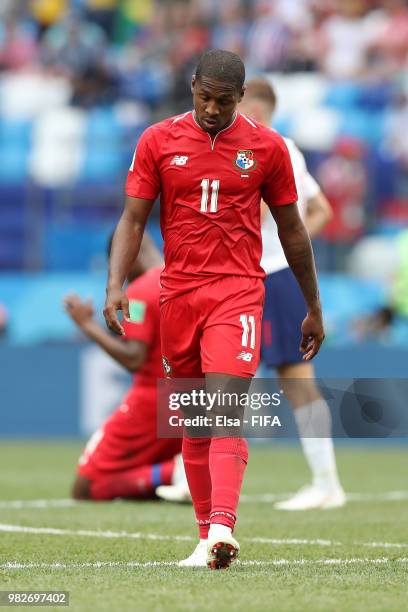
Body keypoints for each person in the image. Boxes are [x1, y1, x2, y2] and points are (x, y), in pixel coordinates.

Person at [104, 49, 324, 569]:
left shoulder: (266, 148)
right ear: (193, 87)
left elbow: (293, 231)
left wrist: (313, 305)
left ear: (241, 98)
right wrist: (115, 283)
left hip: (237, 290)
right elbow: (133, 219)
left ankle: (224, 524)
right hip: (177, 293)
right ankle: (208, 539)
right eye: (205, 97)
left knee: (223, 406)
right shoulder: (157, 140)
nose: (211, 109)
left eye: (223, 102)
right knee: (193, 421)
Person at [240, 77, 345, 510]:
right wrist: (295, 240)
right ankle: (325, 482)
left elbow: (262, 208)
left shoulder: (267, 147)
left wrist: (287, 244)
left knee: (293, 379)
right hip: (266, 272)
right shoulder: (288, 147)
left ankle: (326, 483)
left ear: (255, 111)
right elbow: (321, 210)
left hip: (268, 274)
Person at [65, 233, 183, 501]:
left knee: (86, 487)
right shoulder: (185, 282)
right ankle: (184, 469)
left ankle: (174, 472)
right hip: (192, 399)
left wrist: (87, 326)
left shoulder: (140, 293)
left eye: (118, 264)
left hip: (152, 402)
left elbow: (134, 357)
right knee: (129, 472)